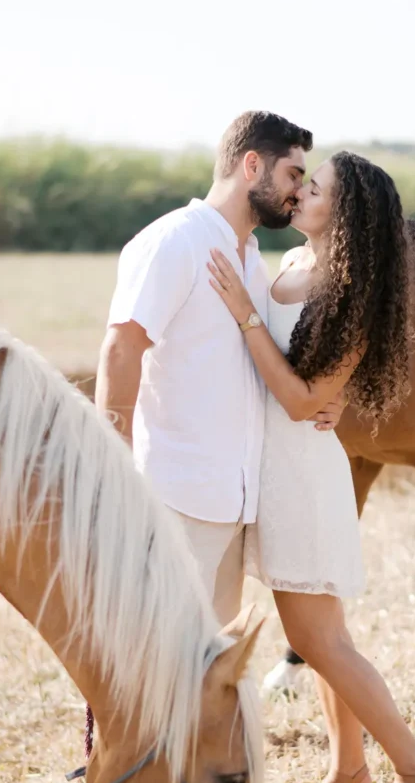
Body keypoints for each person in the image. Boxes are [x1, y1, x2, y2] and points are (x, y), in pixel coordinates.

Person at [208, 151, 415, 783]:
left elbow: (299, 401)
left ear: (343, 215)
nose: (298, 194)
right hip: (273, 472)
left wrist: (245, 316)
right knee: (323, 638)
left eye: (313, 189)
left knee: (315, 637)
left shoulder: (348, 293)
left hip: (304, 479)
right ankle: (349, 776)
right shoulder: (292, 263)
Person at [96, 111, 343, 629]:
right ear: (252, 166)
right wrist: (113, 469)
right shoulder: (175, 240)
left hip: (236, 504)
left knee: (211, 664)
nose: (297, 192)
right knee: (154, 650)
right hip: (175, 497)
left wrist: (329, 397)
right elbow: (121, 349)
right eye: (293, 175)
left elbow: (263, 361)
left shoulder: (253, 259)